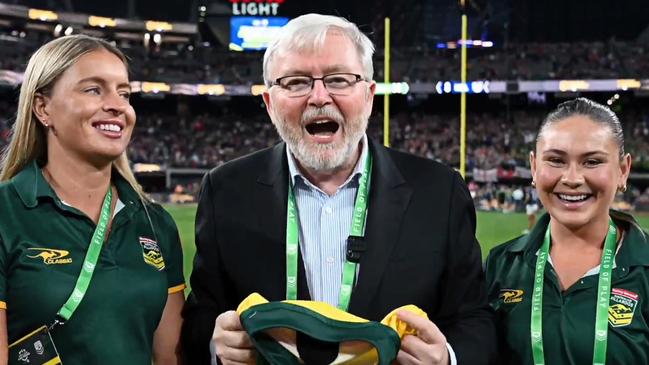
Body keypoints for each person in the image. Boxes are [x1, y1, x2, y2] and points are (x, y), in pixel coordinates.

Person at [181, 13, 497, 365]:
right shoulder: (226, 191)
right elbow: (200, 316)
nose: (319, 96)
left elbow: (474, 319)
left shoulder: (439, 192)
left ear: (369, 95)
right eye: (296, 82)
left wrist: (447, 358)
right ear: (270, 104)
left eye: (339, 79)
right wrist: (214, 343)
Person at [0, 35, 185, 364]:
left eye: (124, 93)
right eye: (93, 89)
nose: (118, 105)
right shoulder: (6, 213)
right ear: (43, 108)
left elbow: (170, 358)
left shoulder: (155, 224)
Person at [486, 97, 649, 364]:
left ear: (623, 170)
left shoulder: (644, 267)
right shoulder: (501, 265)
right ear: (535, 167)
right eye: (556, 160)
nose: (572, 179)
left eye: (592, 161)